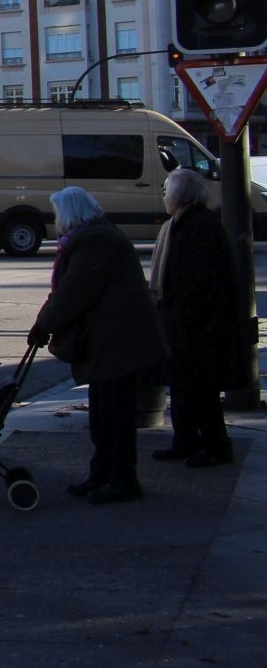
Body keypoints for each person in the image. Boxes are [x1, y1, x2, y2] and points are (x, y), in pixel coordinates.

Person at [28, 186, 168, 504]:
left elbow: (73, 292)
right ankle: (104, 474)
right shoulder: (97, 236)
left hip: (119, 342)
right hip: (111, 341)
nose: (55, 220)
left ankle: (121, 480)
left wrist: (44, 324)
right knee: (105, 414)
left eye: (57, 214)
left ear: (69, 213)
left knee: (115, 416)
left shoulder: (96, 240)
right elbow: (71, 291)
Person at [148, 169, 234, 468]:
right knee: (184, 387)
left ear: (179, 196)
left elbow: (198, 283)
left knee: (200, 390)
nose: (164, 196)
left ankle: (215, 446)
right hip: (182, 324)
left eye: (166, 191)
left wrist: (184, 319)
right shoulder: (183, 223)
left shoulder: (198, 226)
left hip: (197, 327)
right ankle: (185, 441)